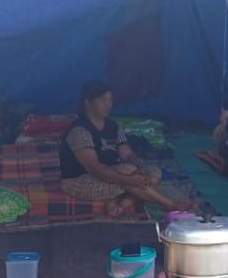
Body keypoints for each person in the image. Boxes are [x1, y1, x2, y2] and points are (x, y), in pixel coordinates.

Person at [59, 80, 199, 216]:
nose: (109, 104)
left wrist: (141, 168)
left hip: (109, 174)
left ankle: (118, 204)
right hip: (80, 181)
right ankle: (171, 205)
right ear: (87, 102)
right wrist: (128, 179)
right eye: (103, 100)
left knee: (152, 171)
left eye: (110, 100)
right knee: (129, 172)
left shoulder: (112, 126)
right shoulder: (79, 130)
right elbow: (94, 167)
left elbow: (127, 155)